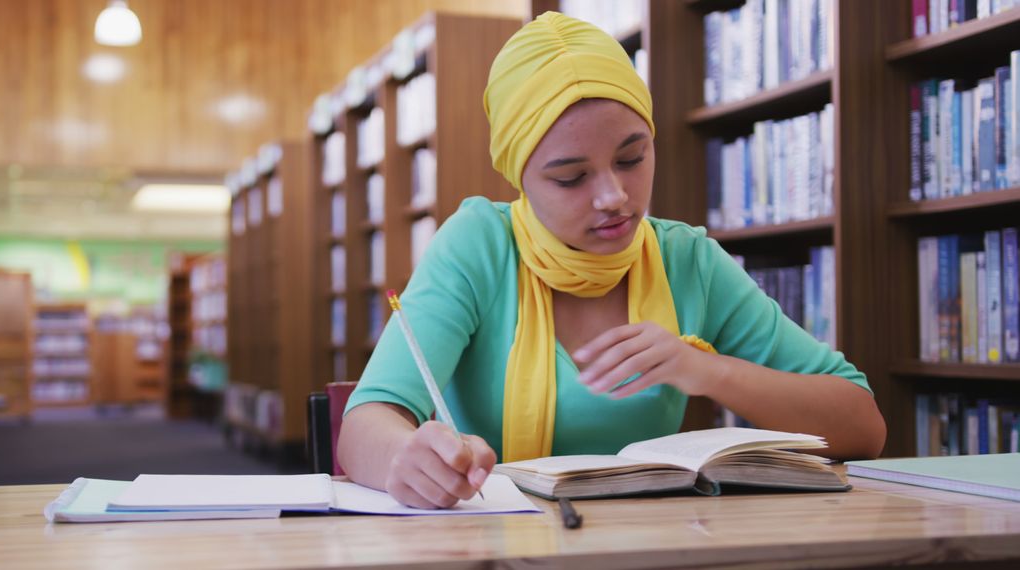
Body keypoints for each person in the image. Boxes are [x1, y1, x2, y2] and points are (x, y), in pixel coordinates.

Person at [338, 11, 886, 509]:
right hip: (498, 544)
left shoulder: (685, 259)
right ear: (519, 177)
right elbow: (365, 423)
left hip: (652, 547)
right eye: (571, 177)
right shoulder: (478, 245)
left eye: (632, 157)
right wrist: (404, 459)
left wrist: (708, 369)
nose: (614, 197)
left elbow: (862, 424)